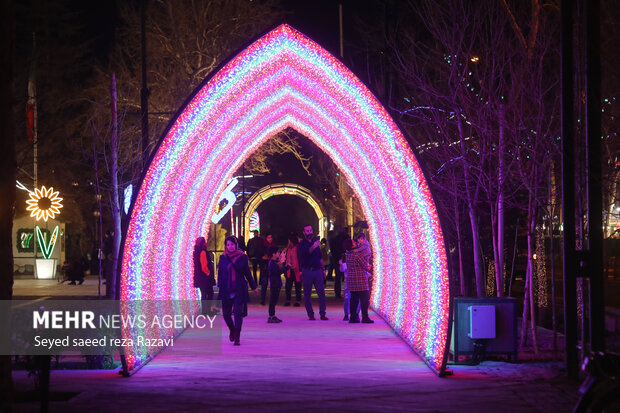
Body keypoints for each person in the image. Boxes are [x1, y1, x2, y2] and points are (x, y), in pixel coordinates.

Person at [217, 236, 258, 345]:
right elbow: (220, 273)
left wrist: (253, 286)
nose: (230, 247)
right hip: (226, 289)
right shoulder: (223, 258)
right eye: (228, 244)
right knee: (226, 314)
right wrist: (219, 287)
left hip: (239, 288)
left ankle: (237, 336)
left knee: (238, 313)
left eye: (232, 244)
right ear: (226, 246)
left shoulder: (242, 257)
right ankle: (232, 329)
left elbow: (247, 273)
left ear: (236, 245)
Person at [297, 224, 328, 320]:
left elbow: (319, 257)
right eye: (307, 231)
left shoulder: (315, 242)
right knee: (307, 294)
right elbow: (305, 254)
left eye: (310, 230)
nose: (310, 232)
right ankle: (310, 314)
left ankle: (322, 314)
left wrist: (323, 269)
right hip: (307, 271)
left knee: (321, 293)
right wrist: (314, 246)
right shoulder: (302, 244)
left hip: (317, 271)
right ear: (304, 232)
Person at [345, 232, 373, 323]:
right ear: (352, 245)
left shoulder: (347, 254)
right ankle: (365, 317)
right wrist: (368, 265)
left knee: (353, 300)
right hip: (360, 280)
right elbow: (365, 265)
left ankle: (353, 317)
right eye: (353, 242)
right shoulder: (357, 255)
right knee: (364, 300)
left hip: (352, 281)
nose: (355, 242)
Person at [266, 246, 287, 323]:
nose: (279, 253)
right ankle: (271, 316)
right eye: (277, 252)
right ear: (273, 254)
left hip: (276, 283)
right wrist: (286, 267)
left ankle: (273, 315)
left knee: (274, 300)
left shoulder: (275, 262)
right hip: (274, 284)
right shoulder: (272, 263)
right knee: (273, 300)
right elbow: (278, 272)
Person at [193, 237, 215, 304]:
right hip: (205, 278)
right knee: (209, 293)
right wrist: (208, 273)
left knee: (204, 294)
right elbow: (204, 265)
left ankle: (205, 311)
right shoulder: (203, 252)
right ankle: (206, 310)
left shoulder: (196, 252)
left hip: (199, 277)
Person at [284, 234, 302, 307]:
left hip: (297, 269)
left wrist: (301, 269)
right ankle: (288, 299)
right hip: (289, 269)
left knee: (297, 285)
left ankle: (298, 300)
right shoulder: (288, 248)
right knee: (288, 286)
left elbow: (300, 259)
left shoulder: (298, 248)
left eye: (289, 240)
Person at [260, 233, 277, 305]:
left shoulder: (274, 246)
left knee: (273, 284)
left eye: (271, 237)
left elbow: (276, 256)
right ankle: (263, 299)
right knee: (264, 284)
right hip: (265, 268)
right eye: (268, 237)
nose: (270, 239)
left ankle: (273, 299)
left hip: (272, 267)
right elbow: (260, 256)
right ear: (266, 238)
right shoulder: (262, 246)